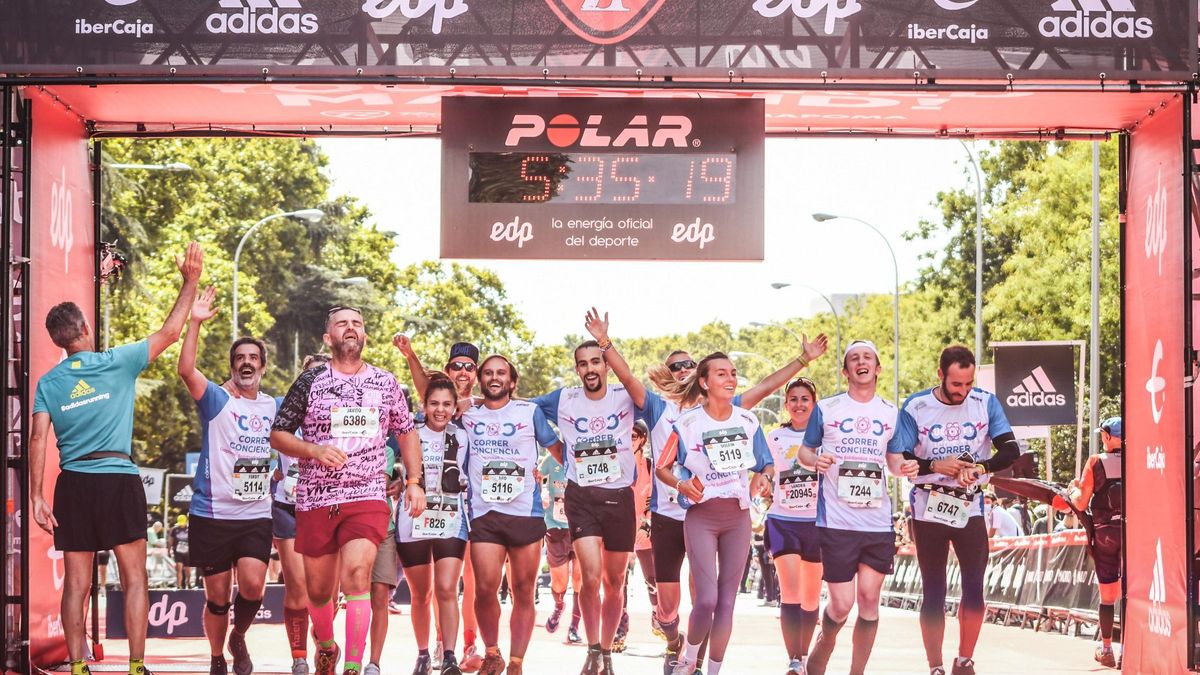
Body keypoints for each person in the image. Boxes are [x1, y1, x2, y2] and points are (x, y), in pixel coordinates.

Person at [587, 310, 827, 675]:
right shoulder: (660, 409)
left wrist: (804, 359)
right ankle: (673, 641)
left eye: (689, 362)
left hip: (722, 515)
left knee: (710, 599)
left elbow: (766, 387)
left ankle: (697, 664)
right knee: (669, 606)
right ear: (675, 377)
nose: (683, 367)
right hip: (671, 517)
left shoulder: (733, 411)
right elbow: (627, 377)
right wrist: (604, 342)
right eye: (676, 365)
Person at [30, 242, 204, 675]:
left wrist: (35, 496)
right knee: (134, 579)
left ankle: (76, 667)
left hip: (73, 484)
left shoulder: (49, 383)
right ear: (86, 329)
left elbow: (37, 440)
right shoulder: (117, 361)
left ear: (58, 341)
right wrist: (189, 282)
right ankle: (136, 665)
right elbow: (169, 333)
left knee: (76, 584)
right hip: (118, 478)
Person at [270, 306, 425, 675]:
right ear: (329, 338)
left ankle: (354, 666)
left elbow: (407, 433)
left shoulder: (386, 382)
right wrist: (314, 451)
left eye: (357, 323)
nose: (350, 328)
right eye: (342, 323)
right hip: (316, 497)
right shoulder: (310, 382)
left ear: (365, 335)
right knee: (320, 592)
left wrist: (416, 482)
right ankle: (326, 645)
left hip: (367, 495)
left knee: (357, 575)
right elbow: (278, 434)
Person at [889, 345, 1020, 675]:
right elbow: (902, 458)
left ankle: (964, 660)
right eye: (956, 384)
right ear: (940, 375)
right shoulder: (916, 407)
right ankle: (934, 666)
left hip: (970, 505)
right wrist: (936, 464)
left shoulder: (985, 402)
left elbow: (1011, 449)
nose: (963, 391)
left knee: (975, 586)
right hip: (928, 506)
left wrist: (979, 466)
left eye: (968, 383)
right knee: (934, 588)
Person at [797, 340, 919, 675]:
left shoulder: (892, 414)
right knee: (841, 604)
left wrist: (905, 468)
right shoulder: (828, 409)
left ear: (878, 368)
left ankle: (857, 671)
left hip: (877, 522)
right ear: (846, 370)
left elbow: (894, 462)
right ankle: (825, 642)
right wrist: (815, 460)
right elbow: (804, 453)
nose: (861, 362)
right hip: (837, 521)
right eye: (854, 358)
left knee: (868, 599)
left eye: (868, 357)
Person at [532, 315, 643, 675]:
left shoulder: (625, 395)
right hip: (581, 497)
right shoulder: (564, 398)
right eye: (583, 363)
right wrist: (554, 449)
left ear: (606, 364)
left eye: (596, 361)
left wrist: (605, 341)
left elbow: (639, 388)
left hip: (619, 498)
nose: (590, 368)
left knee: (614, 583)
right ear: (577, 369)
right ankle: (593, 648)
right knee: (590, 578)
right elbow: (526, 408)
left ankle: (607, 652)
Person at [653, 352, 775, 675]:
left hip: (737, 517)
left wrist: (765, 478)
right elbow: (663, 468)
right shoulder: (688, 423)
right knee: (706, 600)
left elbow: (766, 464)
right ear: (705, 383)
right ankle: (688, 660)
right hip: (701, 517)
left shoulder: (748, 421)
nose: (730, 378)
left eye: (733, 373)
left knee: (726, 604)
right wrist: (681, 486)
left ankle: (714, 671)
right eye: (721, 374)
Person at [177, 285, 278, 675]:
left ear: (263, 366)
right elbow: (186, 370)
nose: (247, 363)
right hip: (213, 514)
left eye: (254, 357)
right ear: (233, 365)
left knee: (253, 586)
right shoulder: (217, 399)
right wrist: (195, 323)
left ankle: (240, 635)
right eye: (241, 358)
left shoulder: (274, 406)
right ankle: (218, 656)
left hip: (255, 514)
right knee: (217, 597)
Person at [460, 355, 563, 675]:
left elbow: (557, 449)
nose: (494, 377)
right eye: (488, 373)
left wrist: (565, 477)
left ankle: (516, 662)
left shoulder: (528, 411)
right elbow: (432, 398)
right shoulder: (467, 413)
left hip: (526, 513)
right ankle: (492, 653)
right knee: (485, 588)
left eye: (501, 373)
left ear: (512, 381)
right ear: (481, 380)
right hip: (485, 514)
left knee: (523, 590)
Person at [394, 337, 484, 671]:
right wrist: (410, 354)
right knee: (422, 592)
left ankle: (455, 652)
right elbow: (424, 387)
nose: (442, 409)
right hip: (414, 515)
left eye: (469, 366)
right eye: (435, 404)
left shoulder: (470, 417)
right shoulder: (412, 428)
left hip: (455, 515)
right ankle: (425, 652)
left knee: (454, 586)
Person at [273, 353, 330, 675]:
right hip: (288, 508)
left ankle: (324, 642)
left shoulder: (342, 412)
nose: (315, 382)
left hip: (327, 507)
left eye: (322, 375)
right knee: (297, 586)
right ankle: (298, 657)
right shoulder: (282, 408)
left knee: (325, 592)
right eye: (310, 376)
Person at [765, 378, 824, 675]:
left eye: (805, 399)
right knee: (790, 593)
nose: (799, 404)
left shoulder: (827, 438)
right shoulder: (774, 437)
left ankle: (802, 655)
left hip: (816, 523)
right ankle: (793, 660)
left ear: (814, 404)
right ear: (786, 404)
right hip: (782, 521)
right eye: (793, 399)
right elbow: (762, 472)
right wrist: (760, 484)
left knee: (811, 597)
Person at [1059, 416, 1123, 668]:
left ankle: (1106, 648)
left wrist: (1073, 489)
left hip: (1105, 533)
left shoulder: (1096, 462)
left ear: (1107, 436)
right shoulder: (1140, 457)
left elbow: (1081, 503)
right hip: (1134, 532)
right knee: (1133, 593)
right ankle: (1132, 648)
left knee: (1108, 597)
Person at [364, 436, 403, 675]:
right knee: (334, 596)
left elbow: (380, 484)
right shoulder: (334, 443)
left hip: (382, 529)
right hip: (343, 527)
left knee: (379, 596)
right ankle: (328, 649)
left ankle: (373, 663)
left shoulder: (387, 450)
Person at [539, 448, 584, 645]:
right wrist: (541, 492)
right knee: (560, 581)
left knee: (579, 580)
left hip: (582, 526)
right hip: (556, 525)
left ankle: (574, 626)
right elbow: (538, 476)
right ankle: (559, 605)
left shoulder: (583, 455)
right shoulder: (551, 458)